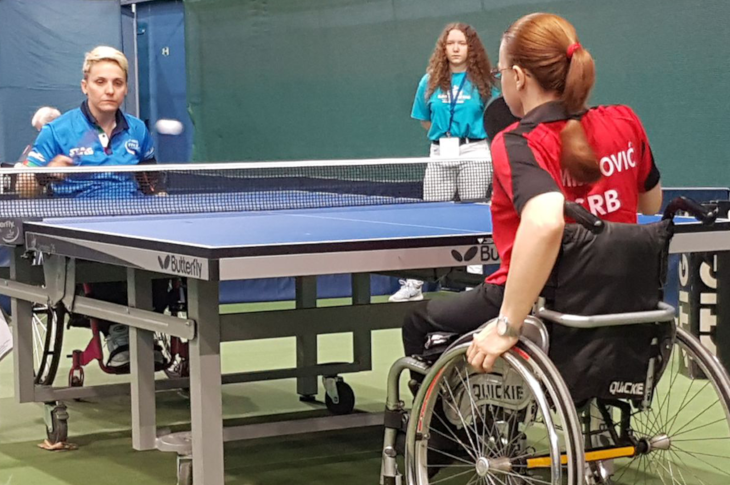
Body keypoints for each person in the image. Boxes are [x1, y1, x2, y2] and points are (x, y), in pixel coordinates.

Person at [401, 12, 663, 380]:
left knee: (418, 321)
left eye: (500, 73)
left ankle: (446, 418)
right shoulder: (625, 120)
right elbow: (650, 205)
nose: (502, 79)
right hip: (623, 294)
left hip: (547, 296)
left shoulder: (519, 143)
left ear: (519, 77)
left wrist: (507, 325)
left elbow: (545, 222)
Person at [21, 46, 162, 370]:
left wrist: (161, 198)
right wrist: (45, 174)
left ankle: (155, 322)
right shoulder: (57, 131)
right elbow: (24, 188)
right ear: (85, 85)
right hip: (81, 226)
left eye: (117, 82)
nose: (109, 89)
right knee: (106, 256)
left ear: (126, 88)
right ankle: (119, 331)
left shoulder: (137, 130)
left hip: (134, 220)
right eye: (101, 82)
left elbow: (151, 180)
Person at [390, 22, 499, 302]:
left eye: (461, 43)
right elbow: (425, 120)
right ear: (444, 48)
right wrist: (445, 139)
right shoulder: (430, 81)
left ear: (471, 48)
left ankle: (472, 286)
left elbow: (497, 115)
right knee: (431, 218)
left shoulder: (484, 82)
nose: (456, 48)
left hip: (474, 153)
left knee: (473, 218)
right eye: (451, 43)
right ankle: (415, 283)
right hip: (440, 152)